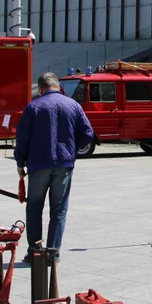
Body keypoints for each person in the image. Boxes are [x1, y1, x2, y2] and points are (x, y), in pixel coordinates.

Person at [14, 72, 94, 261]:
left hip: (38, 164)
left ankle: (35, 251)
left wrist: (20, 162)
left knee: (34, 207)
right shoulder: (73, 105)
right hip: (64, 164)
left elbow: (22, 138)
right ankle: (53, 252)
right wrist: (72, 149)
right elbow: (88, 134)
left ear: (41, 89)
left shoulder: (33, 107)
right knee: (59, 210)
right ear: (58, 86)